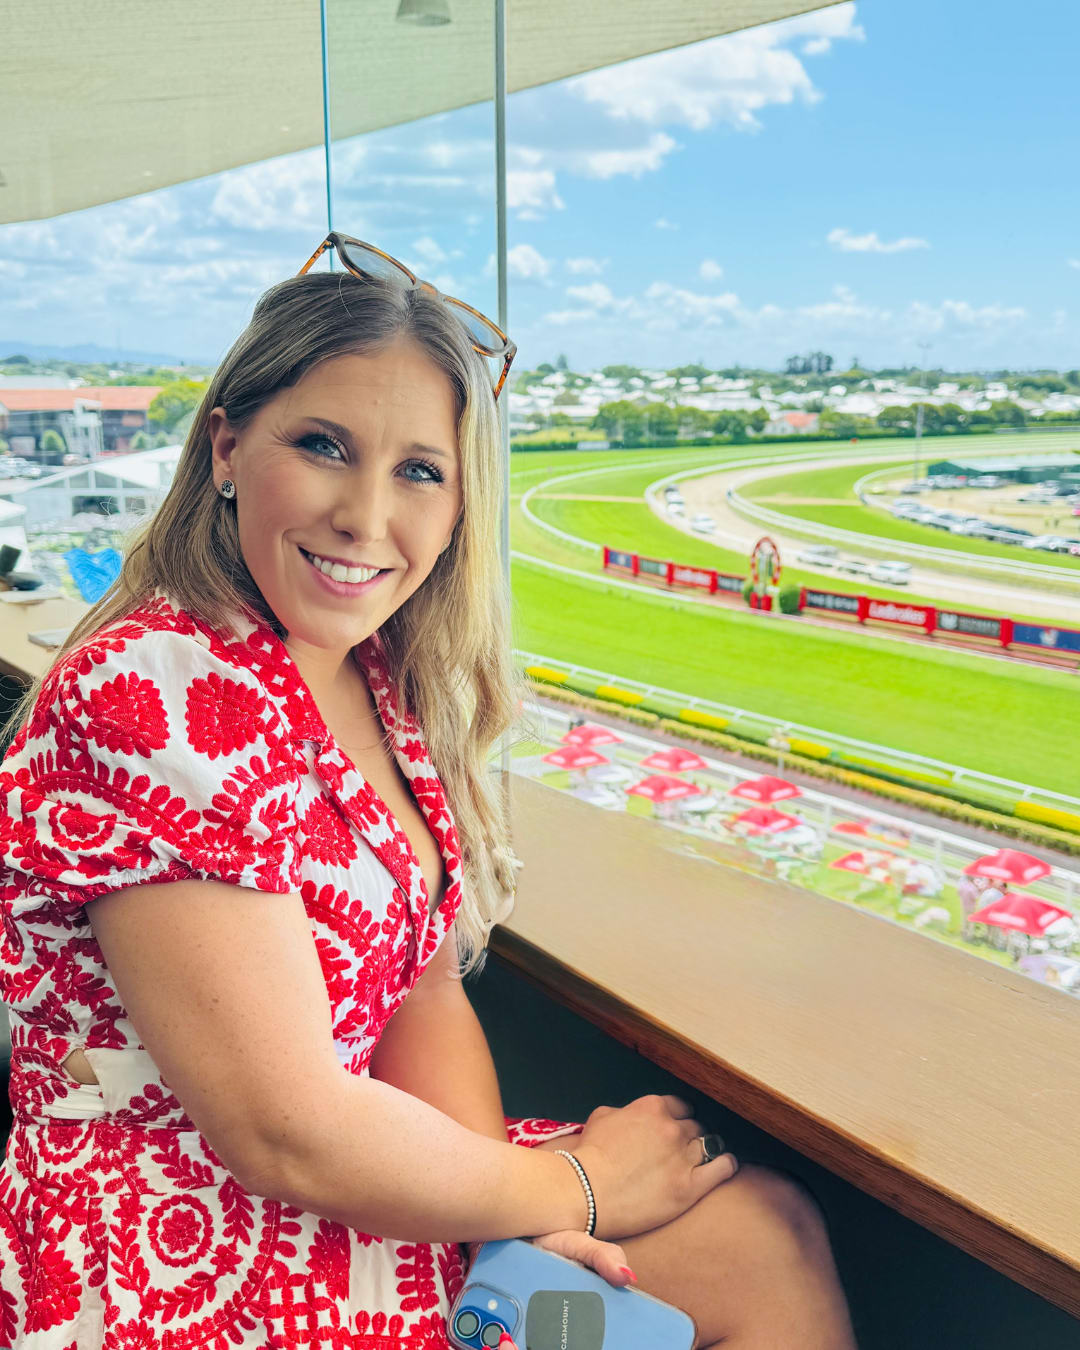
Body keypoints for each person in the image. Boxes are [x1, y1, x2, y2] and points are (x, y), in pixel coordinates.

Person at [0, 240, 856, 1349]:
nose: (366, 516)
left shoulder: (365, 675)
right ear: (227, 446)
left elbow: (420, 993)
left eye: (419, 470)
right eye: (322, 446)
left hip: (353, 1175)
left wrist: (519, 1213)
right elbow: (282, 1133)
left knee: (764, 1236)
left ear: (461, 507)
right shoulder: (159, 684)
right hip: (183, 1248)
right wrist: (575, 1191)